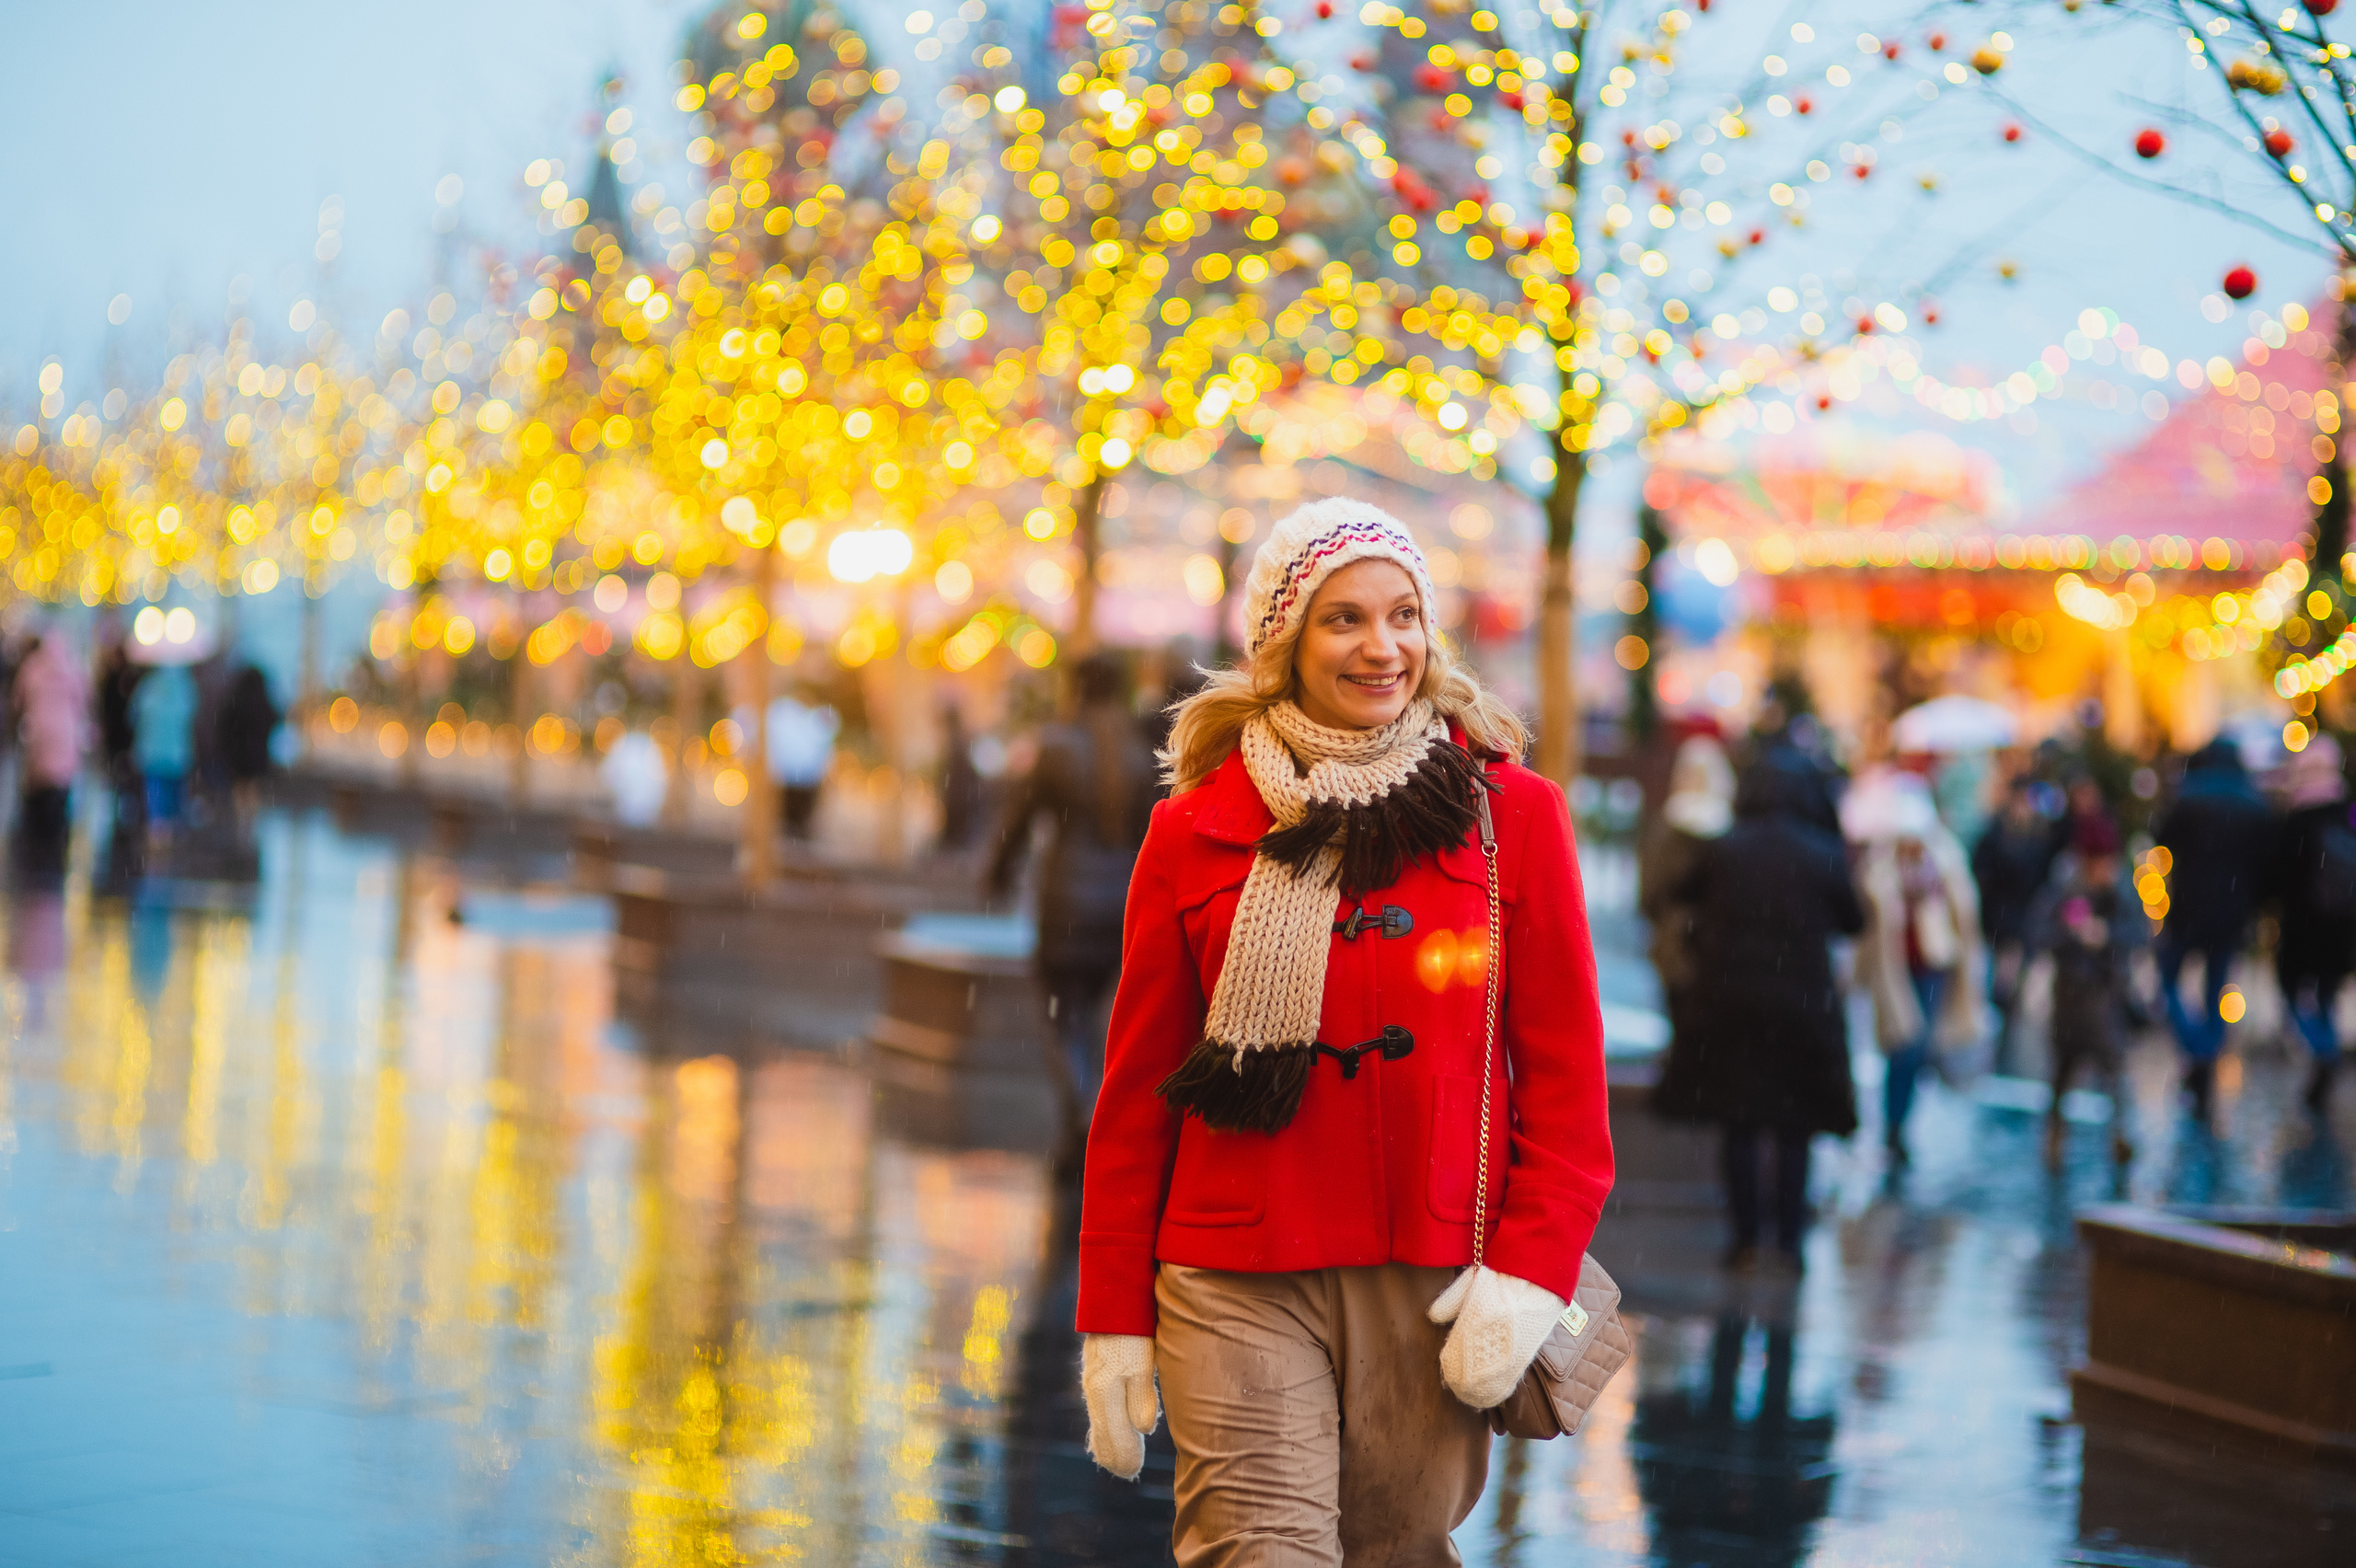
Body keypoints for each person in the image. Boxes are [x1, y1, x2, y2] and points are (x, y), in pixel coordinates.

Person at [1075, 500, 1612, 1562]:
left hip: (1434, 1279)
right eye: (1344, 619)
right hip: (1232, 1269)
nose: (1382, 647)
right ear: (1284, 643)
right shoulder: (1192, 829)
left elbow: (1564, 1083)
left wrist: (1531, 1272)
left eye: (1403, 615)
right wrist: (1113, 1315)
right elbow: (1137, 1093)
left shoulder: (1511, 816)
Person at [1659, 753, 1864, 1271]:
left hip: (1732, 1004)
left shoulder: (1725, 849)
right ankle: (1789, 1243)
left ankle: (1746, 1240)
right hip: (1801, 1008)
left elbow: (1678, 893)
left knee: (1740, 1121)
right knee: (1796, 1126)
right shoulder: (1822, 853)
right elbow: (1854, 919)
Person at [985, 651, 1158, 1142]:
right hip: (1121, 904)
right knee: (1099, 1016)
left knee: (1065, 1017)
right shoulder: (1139, 750)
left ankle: (1081, 1109)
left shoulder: (1058, 745)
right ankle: (1095, 1111)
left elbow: (1018, 821)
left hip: (1066, 904)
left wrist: (997, 875)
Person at [1855, 793, 1987, 1167]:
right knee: (1902, 1046)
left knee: (1916, 1044)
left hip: (1931, 965)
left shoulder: (1944, 863)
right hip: (1895, 971)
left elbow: (1963, 912)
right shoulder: (1881, 868)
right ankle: (1894, 1124)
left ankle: (1899, 1124)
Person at [2153, 738, 2279, 1117]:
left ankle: (2197, 1049)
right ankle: (2205, 1054)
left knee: (2167, 979)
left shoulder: (2190, 796)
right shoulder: (2256, 804)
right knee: (2216, 991)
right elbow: (2267, 865)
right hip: (2232, 913)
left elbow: (2161, 838)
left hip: (2188, 908)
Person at [2031, 839, 2137, 1169]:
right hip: (2069, 1001)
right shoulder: (2063, 890)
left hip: (2104, 1000)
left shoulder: (2120, 892)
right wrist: (2072, 934)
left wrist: (2106, 935)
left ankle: (2120, 1134)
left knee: (2113, 1071)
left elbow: (2138, 933)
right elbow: (2039, 932)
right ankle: (2054, 1138)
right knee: (2062, 1074)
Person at [1639, 733, 1735, 1074]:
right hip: (1719, 942)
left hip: (1673, 939)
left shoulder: (1668, 827)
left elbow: (1649, 891)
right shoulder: (1730, 832)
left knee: (1680, 1021)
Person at [2269, 733, 2354, 1112]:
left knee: (2291, 989)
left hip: (2303, 925)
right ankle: (2325, 1053)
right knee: (2325, 994)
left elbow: (2279, 876)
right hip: (2341, 925)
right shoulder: (2347, 815)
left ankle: (2324, 1051)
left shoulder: (2297, 819)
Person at [1973, 778, 2060, 1070]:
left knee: (2009, 991)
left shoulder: (2037, 839)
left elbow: (2039, 882)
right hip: (1996, 924)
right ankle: (1994, 1047)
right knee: (1996, 989)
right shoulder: (1996, 834)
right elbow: (1983, 873)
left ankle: (2002, 1047)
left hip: (2020, 927)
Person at [12, 635, 87, 882]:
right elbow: (83, 700)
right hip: (65, 735)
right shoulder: (72, 669)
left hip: (38, 735)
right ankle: (55, 844)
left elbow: (18, 700)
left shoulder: (32, 668)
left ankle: (37, 844)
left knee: (37, 786)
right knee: (60, 786)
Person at [129, 659, 199, 847]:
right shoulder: (184, 688)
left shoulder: (148, 687)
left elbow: (133, 716)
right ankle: (171, 835)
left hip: (151, 753)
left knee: (156, 799)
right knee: (173, 798)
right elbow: (191, 715)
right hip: (177, 753)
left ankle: (158, 835)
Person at [216, 663, 281, 842]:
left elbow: (223, 725)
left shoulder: (235, 700)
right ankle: (250, 823)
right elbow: (275, 719)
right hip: (257, 755)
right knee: (253, 788)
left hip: (238, 754)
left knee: (239, 787)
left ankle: (241, 821)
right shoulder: (264, 702)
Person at [763, 689, 838, 840]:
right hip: (802, 779)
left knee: (788, 816)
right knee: (796, 817)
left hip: (788, 777)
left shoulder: (783, 715)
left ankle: (792, 833)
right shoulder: (812, 720)